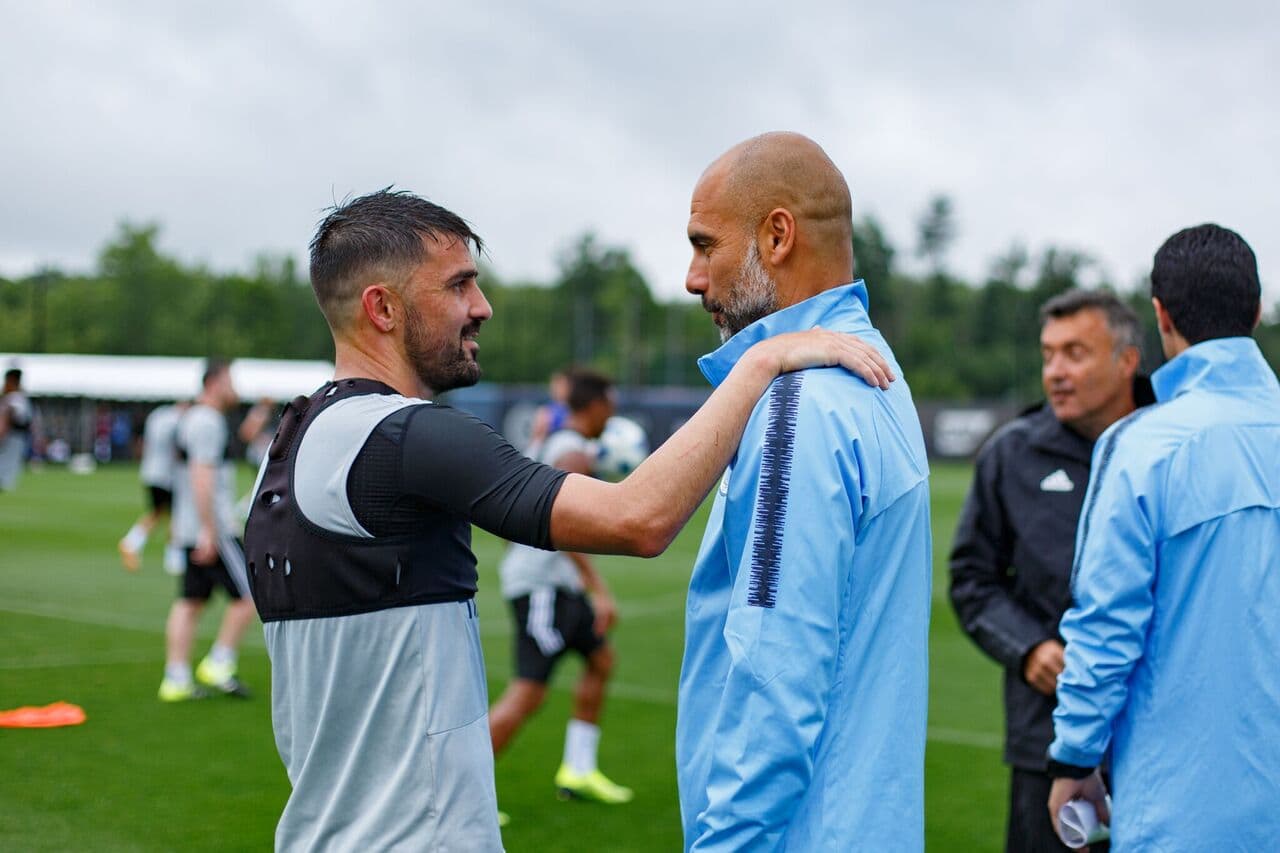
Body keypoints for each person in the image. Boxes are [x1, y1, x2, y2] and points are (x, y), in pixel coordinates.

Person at [241, 188, 892, 852]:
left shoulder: (292, 446)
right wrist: (762, 360)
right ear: (383, 308)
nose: (482, 307)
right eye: (459, 285)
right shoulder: (406, 439)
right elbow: (639, 518)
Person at [676, 132, 931, 851]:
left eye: (704, 244)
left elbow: (776, 679)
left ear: (777, 235)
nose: (694, 277)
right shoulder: (874, 370)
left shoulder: (804, 403)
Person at [1047, 224, 1280, 850]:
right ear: (1256, 310)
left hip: (1183, 814)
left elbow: (1105, 626)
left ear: (1161, 316)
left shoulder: (1142, 446)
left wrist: (1073, 759)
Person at [949, 289, 1153, 852]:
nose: (1055, 371)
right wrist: (1029, 648)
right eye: (1048, 354)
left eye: (1075, 353)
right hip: (1050, 738)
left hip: (1162, 735)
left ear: (1127, 361)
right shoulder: (1011, 454)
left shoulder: (1170, 443)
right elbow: (971, 580)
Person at [488, 368, 631, 806]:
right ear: (595, 405)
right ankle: (454, 798)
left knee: (601, 661)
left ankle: (579, 770)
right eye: (611, 403)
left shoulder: (549, 444)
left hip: (550, 582)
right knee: (529, 689)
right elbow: (573, 530)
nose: (614, 411)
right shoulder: (572, 452)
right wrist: (599, 590)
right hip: (544, 587)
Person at [158, 361, 257, 702]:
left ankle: (176, 678)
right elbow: (202, 477)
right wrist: (209, 530)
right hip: (212, 528)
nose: (235, 388)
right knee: (252, 593)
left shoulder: (193, 419)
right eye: (231, 380)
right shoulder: (207, 421)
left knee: (191, 601)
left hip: (192, 526)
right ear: (215, 382)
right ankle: (219, 662)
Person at [118, 401, 190, 574]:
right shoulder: (178, 421)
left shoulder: (157, 415)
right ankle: (173, 557)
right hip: (167, 475)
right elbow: (178, 447)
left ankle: (133, 542)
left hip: (150, 470)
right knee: (174, 514)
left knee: (158, 512)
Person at [0, 367, 34, 492]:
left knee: (7, 465)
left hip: (13, 436)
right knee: (6, 465)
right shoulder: (16, 397)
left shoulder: (15, 397)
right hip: (12, 436)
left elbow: (10, 414)